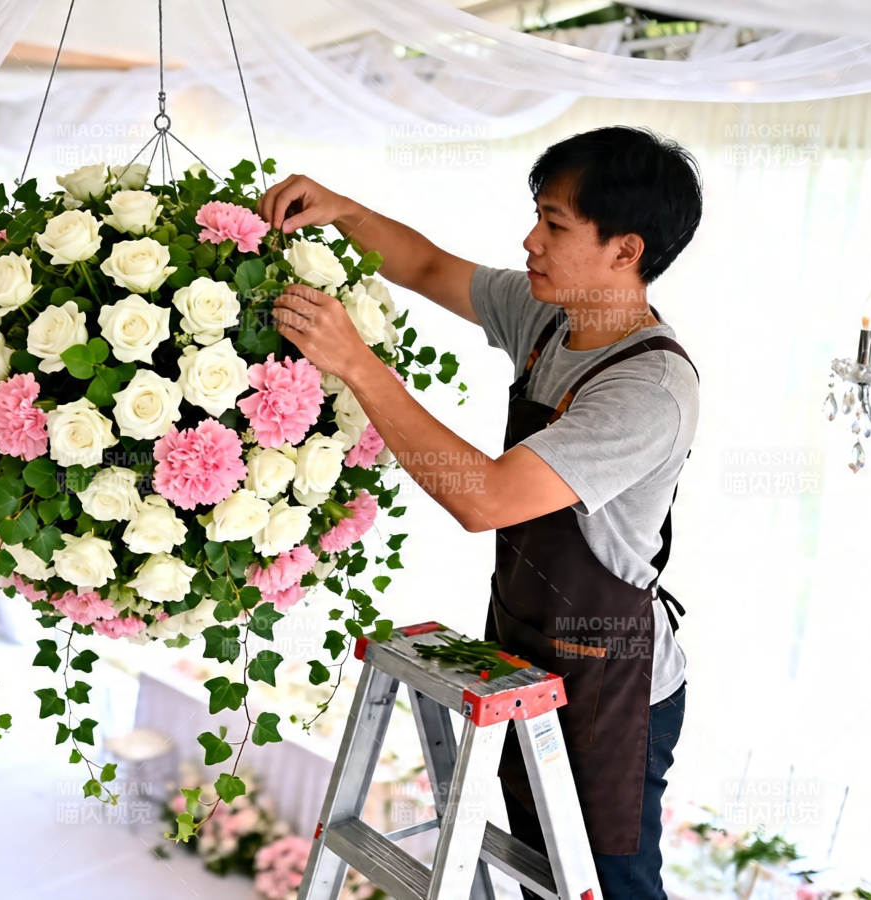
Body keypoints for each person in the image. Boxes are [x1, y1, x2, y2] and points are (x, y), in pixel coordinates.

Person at [257, 125, 702, 899]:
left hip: (614, 687)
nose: (530, 241)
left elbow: (486, 498)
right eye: (537, 215)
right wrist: (339, 210)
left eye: (555, 225)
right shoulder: (550, 319)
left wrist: (356, 363)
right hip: (532, 650)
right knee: (540, 875)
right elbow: (427, 266)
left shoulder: (647, 390)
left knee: (609, 886)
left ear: (625, 251)